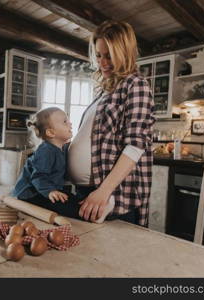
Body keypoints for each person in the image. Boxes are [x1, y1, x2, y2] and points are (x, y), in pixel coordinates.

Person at [68, 20, 155, 227]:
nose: (102, 62)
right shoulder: (103, 91)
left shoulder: (136, 85)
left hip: (110, 195)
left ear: (124, 54)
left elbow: (135, 146)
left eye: (109, 56)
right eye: (98, 55)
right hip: (88, 191)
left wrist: (104, 192)